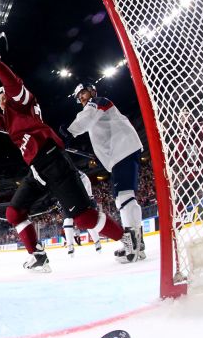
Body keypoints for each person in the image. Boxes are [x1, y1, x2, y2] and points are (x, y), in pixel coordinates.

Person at [0, 40, 136, 272]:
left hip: (52, 159)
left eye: (0, 97)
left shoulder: (20, 101)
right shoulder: (13, 117)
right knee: (13, 212)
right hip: (38, 168)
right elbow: (9, 129)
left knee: (84, 219)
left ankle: (126, 239)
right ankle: (38, 256)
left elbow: (12, 84)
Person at [59, 83, 146, 260]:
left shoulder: (98, 102)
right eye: (79, 97)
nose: (81, 98)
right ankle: (138, 244)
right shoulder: (98, 113)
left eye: (83, 93)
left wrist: (68, 134)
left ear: (91, 91)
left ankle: (133, 246)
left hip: (123, 151)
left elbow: (86, 118)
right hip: (122, 153)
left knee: (123, 198)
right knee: (125, 197)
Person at [61, 171, 102, 257]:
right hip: (73, 197)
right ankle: (70, 246)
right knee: (67, 221)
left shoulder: (77, 175)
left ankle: (97, 242)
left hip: (83, 197)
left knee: (87, 220)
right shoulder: (64, 174)